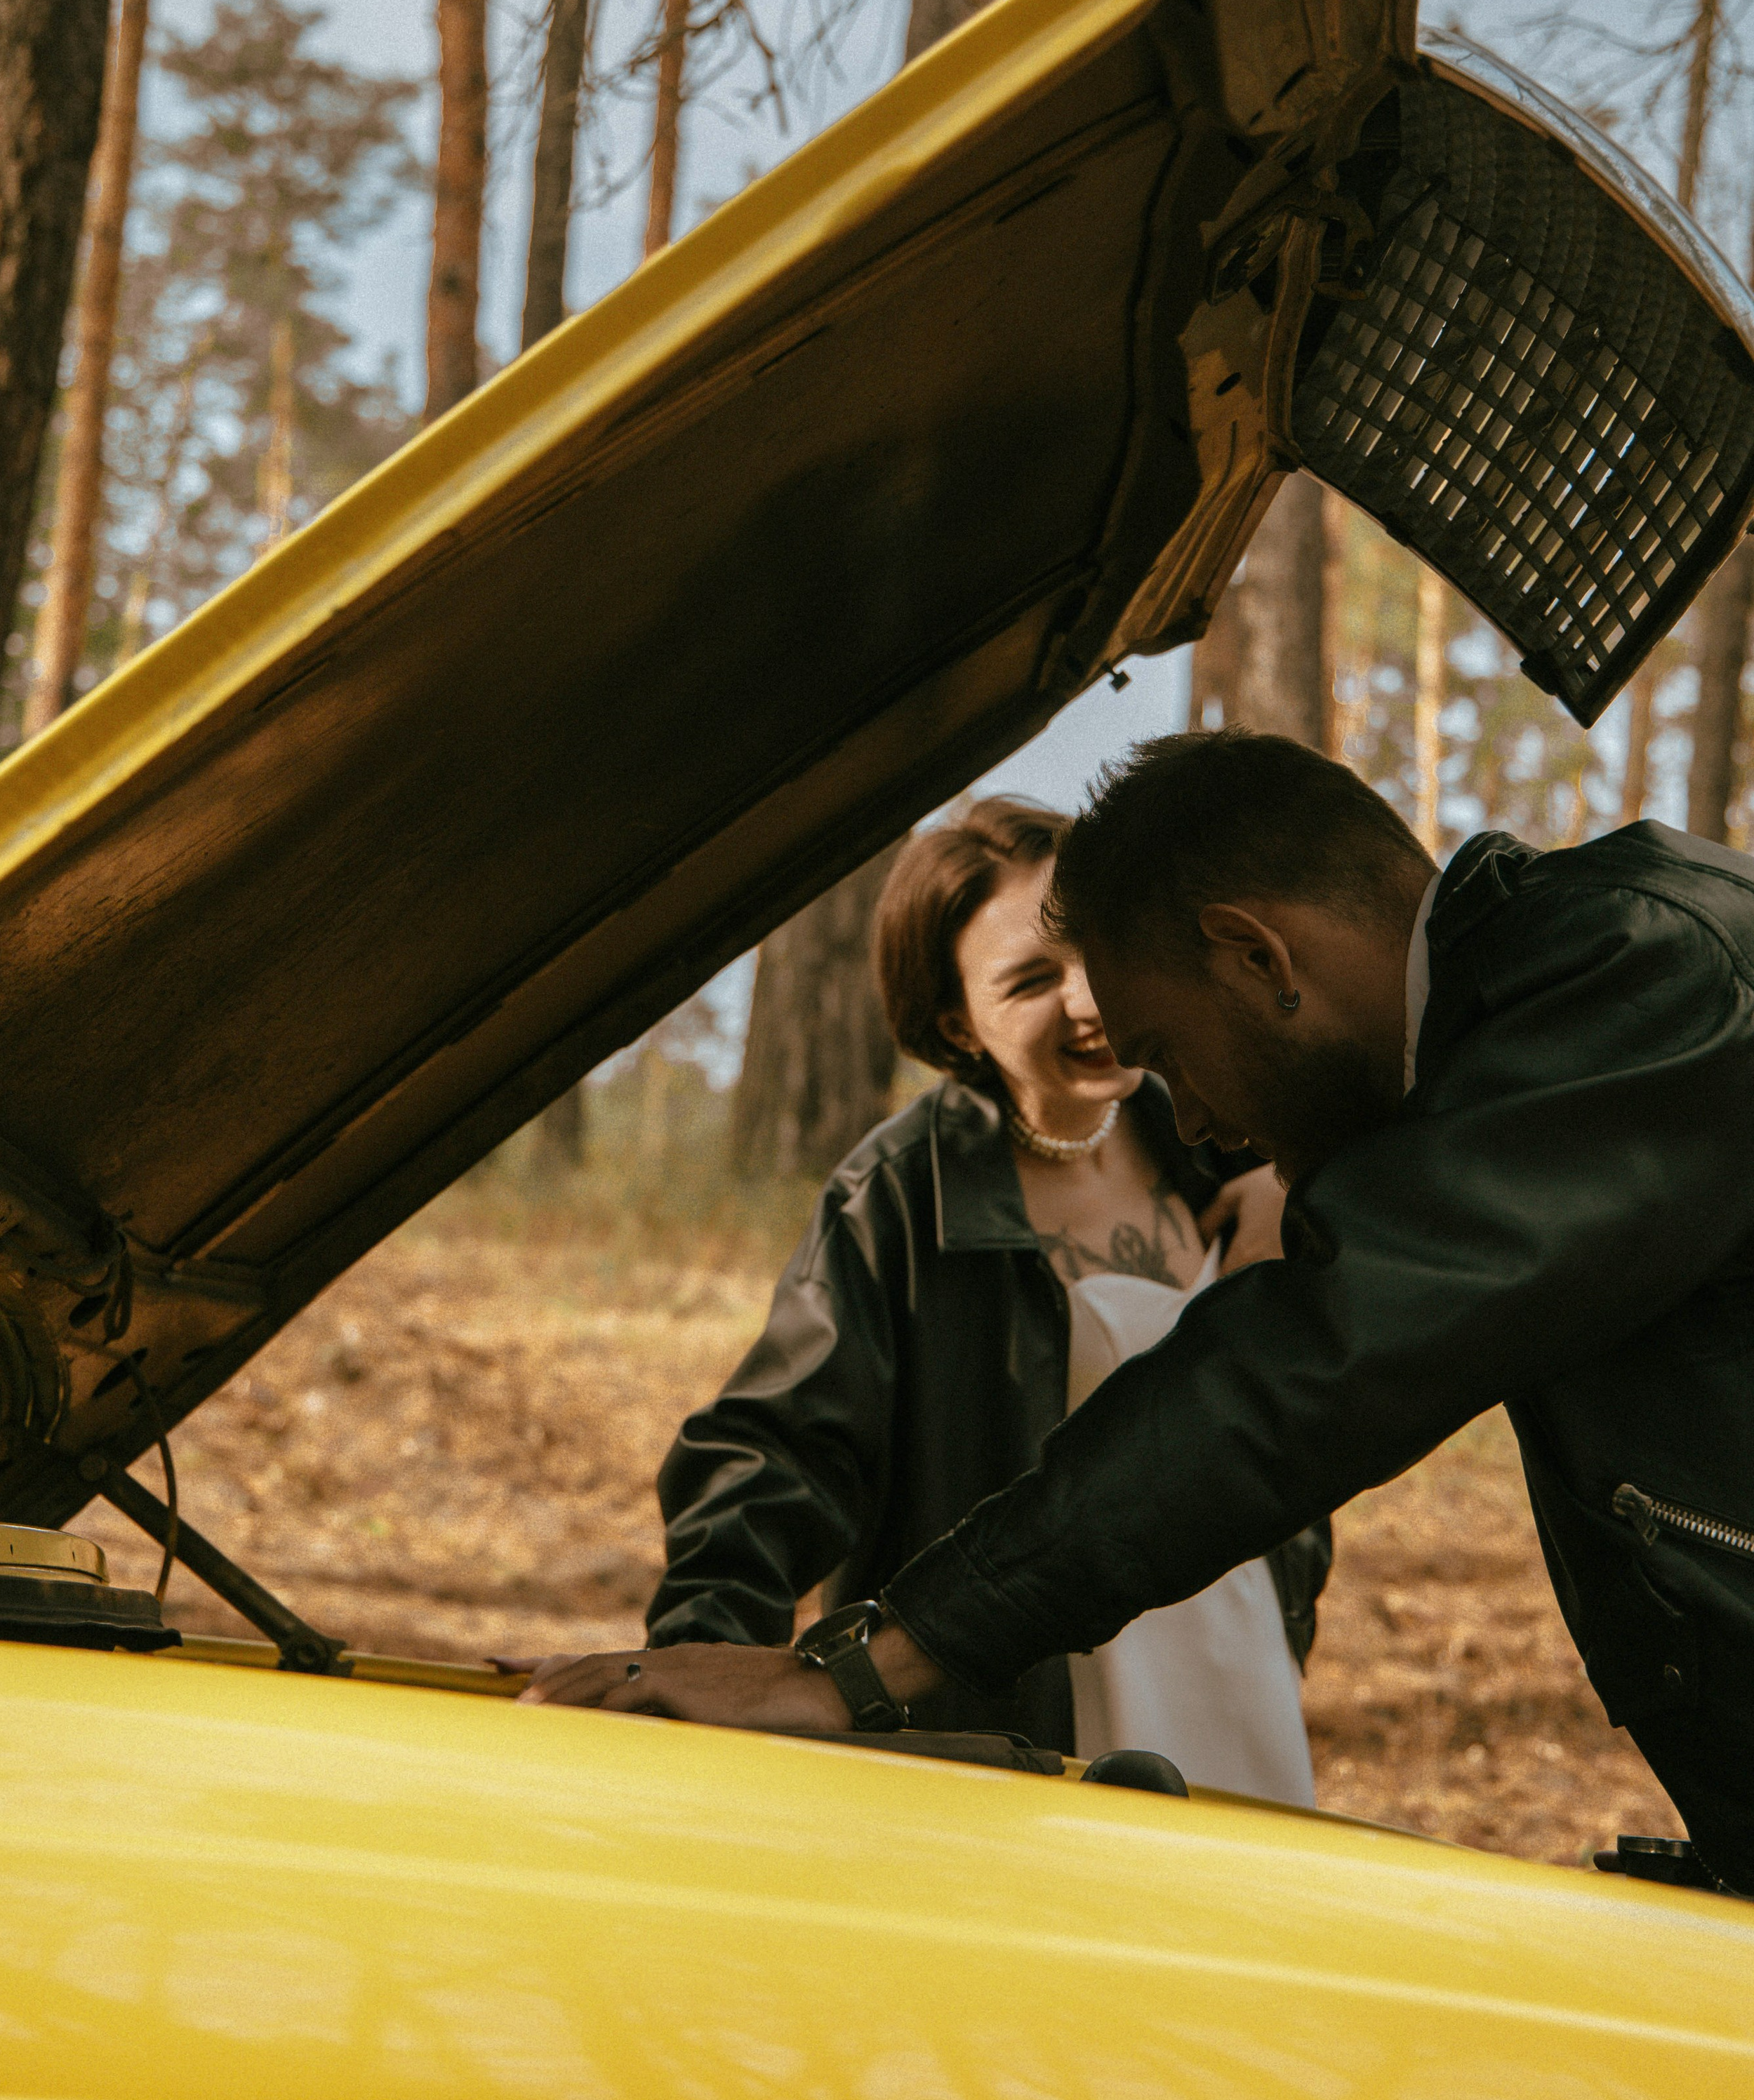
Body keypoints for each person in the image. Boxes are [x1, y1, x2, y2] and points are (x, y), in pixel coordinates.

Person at [525, 729, 1754, 1894]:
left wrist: (866, 1662)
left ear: (1257, 956)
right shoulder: (1589, 992)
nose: (1203, 1120)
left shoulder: (1649, 983)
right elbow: (781, 1448)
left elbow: (1317, 1365)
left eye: (1165, 1049)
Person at [642, 795, 1329, 1793]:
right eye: (1031, 981)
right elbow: (778, 1454)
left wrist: (1293, 1189)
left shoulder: (1228, 1144)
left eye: (1092, 949)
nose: (1090, 1001)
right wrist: (695, 1671)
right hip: (1013, 1715)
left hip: (1234, 1681)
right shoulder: (901, 1197)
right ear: (957, 1019)